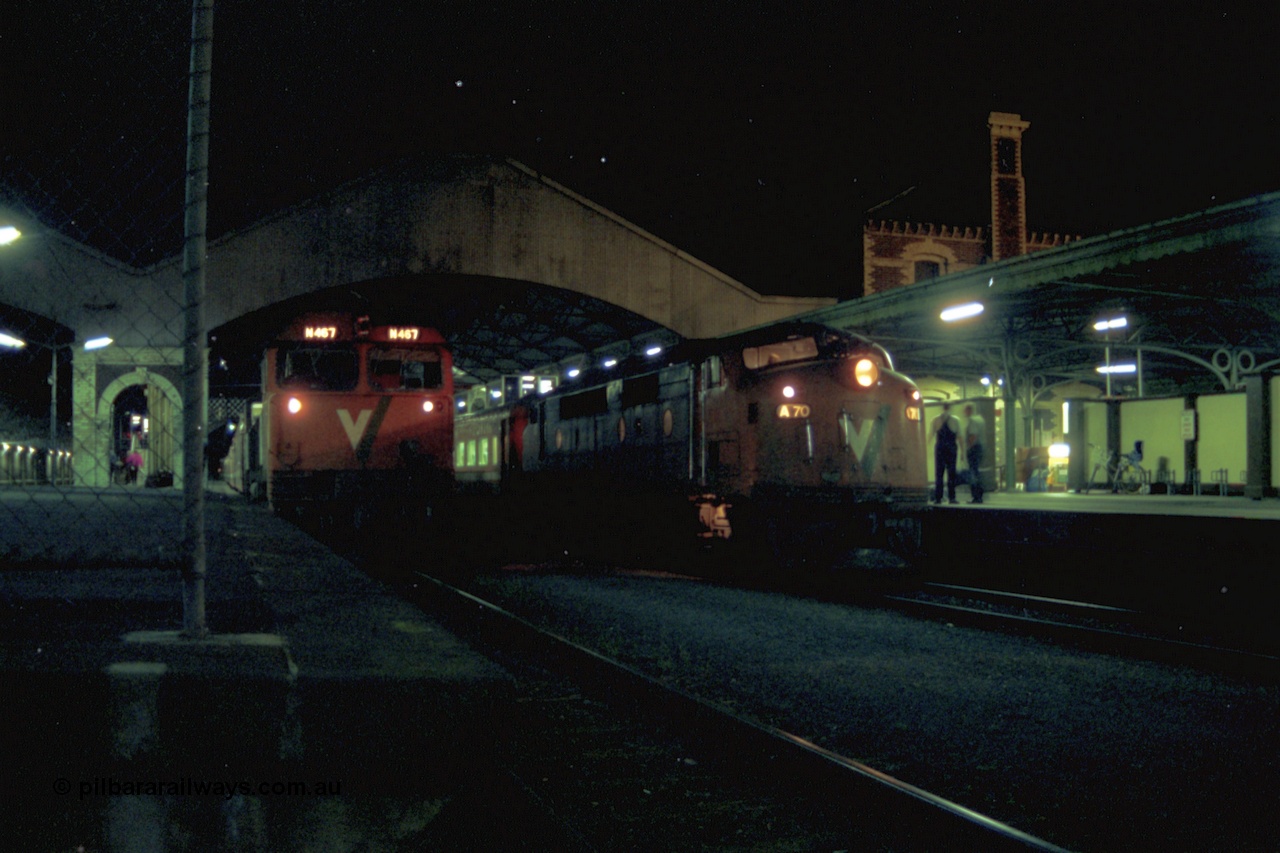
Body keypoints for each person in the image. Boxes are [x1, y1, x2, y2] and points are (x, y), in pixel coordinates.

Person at [927, 403, 961, 504]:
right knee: (951, 474)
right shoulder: (955, 420)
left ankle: (938, 498)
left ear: (942, 407)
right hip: (951, 449)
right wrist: (963, 451)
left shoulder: (935, 420)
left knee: (939, 473)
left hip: (940, 449)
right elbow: (960, 437)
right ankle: (952, 497)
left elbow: (930, 435)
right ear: (950, 407)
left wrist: (927, 447)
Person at [963, 403, 986, 503]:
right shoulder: (980, 419)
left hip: (974, 449)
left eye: (965, 410)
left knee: (973, 472)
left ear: (969, 410)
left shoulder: (972, 421)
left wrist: (968, 447)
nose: (964, 413)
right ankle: (979, 494)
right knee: (976, 471)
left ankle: (976, 496)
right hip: (980, 448)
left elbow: (973, 436)